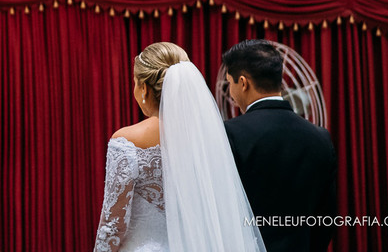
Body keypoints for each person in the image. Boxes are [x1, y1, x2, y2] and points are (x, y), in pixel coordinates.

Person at [93, 41, 266, 252]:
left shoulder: (127, 141)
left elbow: (113, 227)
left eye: (135, 82)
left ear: (144, 89)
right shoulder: (208, 139)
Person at [223, 39, 337, 252]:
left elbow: (222, 210)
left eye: (230, 83)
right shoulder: (320, 137)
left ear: (243, 82)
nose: (231, 92)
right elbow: (326, 218)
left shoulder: (229, 134)